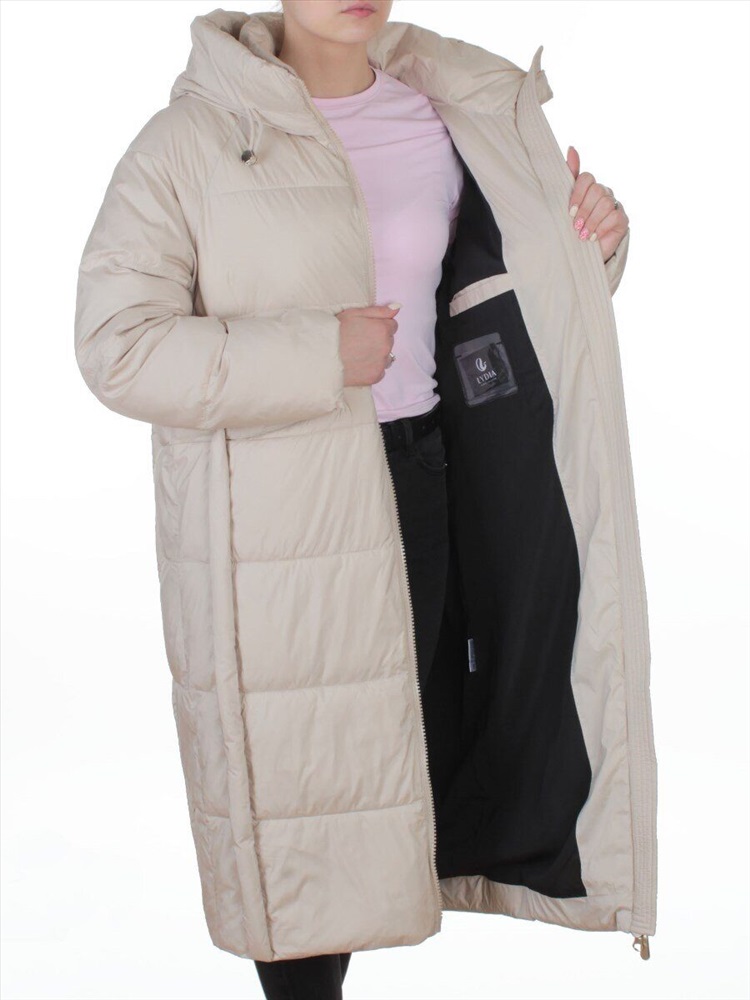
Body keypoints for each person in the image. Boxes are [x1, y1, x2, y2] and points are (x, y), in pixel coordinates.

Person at [75, 2, 655, 998]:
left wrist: (594, 243)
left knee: (396, 773)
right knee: (306, 795)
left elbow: (506, 290)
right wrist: (318, 354)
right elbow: (115, 344)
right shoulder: (192, 142)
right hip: (280, 517)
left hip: (425, 478)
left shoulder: (453, 112)